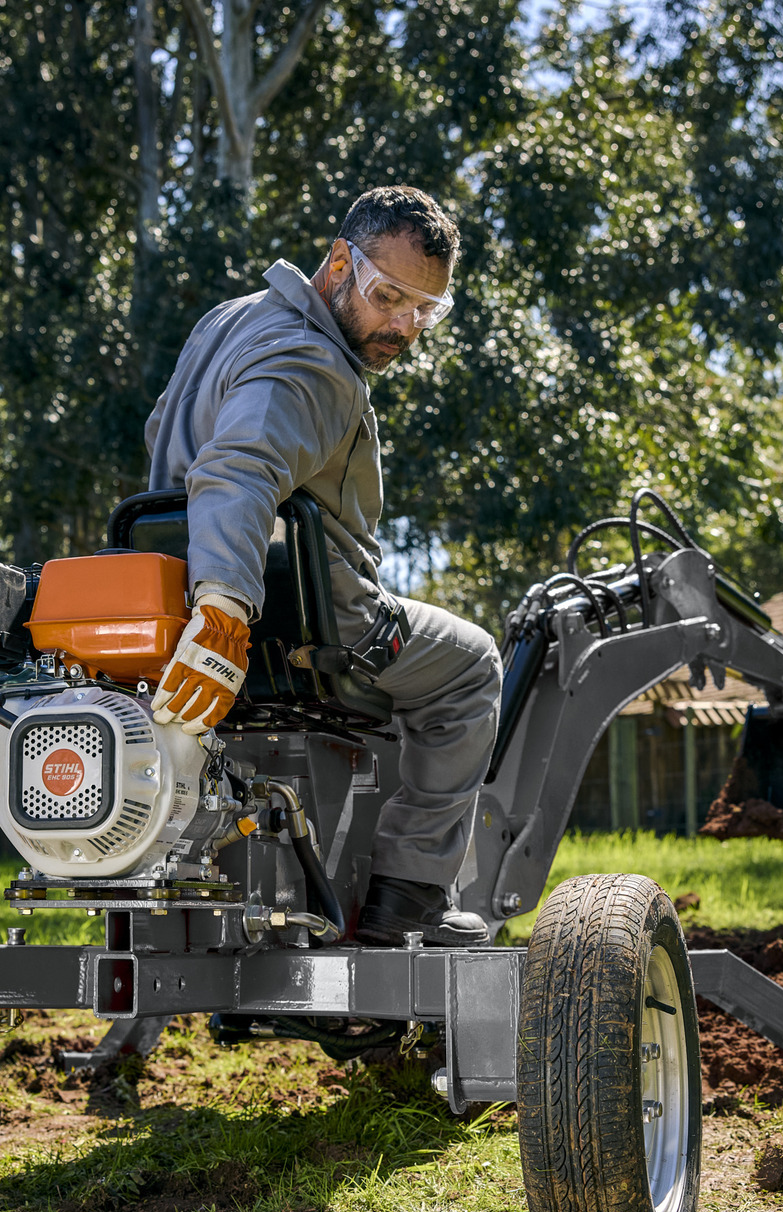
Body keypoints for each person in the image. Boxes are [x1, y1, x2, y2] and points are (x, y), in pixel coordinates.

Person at [143, 186, 502, 947]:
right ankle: (407, 901)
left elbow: (166, 438)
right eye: (388, 297)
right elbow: (238, 470)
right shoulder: (314, 362)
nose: (404, 327)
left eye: (425, 312)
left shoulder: (227, 321)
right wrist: (224, 610)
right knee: (471, 667)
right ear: (339, 262)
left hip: (181, 607)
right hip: (308, 623)